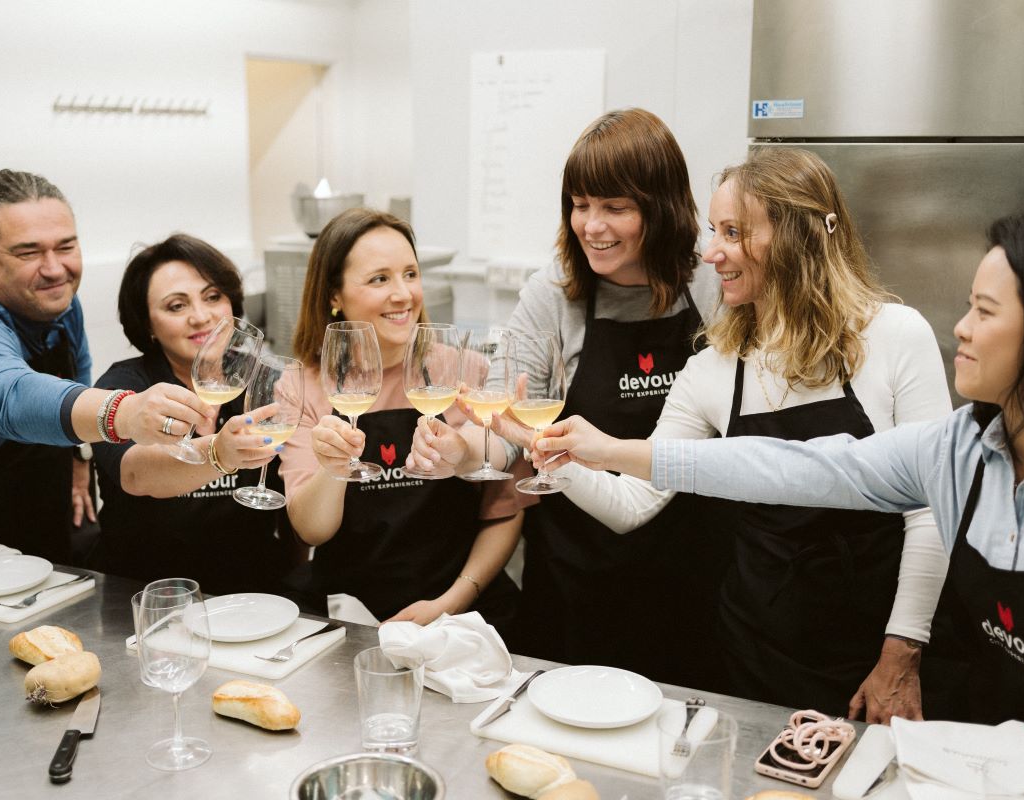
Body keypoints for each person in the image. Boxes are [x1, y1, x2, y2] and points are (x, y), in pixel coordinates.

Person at [536, 209, 1024, 756]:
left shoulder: (894, 340)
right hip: (994, 743)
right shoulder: (955, 450)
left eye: (985, 310)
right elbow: (793, 468)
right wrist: (607, 452)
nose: (961, 327)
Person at [526, 149, 953, 720]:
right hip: (752, 646)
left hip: (875, 648)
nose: (711, 253)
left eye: (733, 232)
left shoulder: (896, 337)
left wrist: (901, 653)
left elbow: (932, 511)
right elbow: (634, 503)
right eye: (713, 231)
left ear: (797, 237)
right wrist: (557, 457)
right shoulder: (714, 367)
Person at [407, 108, 723, 686]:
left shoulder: (711, 287)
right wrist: (462, 451)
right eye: (580, 205)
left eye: (615, 207)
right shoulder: (554, 294)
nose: (592, 226)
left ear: (662, 206)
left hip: (697, 569)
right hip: (577, 575)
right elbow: (508, 429)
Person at [0, 170, 216, 562]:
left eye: (66, 247)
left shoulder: (55, 301)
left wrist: (79, 458)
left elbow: (75, 376)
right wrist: (126, 411)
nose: (54, 269)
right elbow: (11, 396)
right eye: (28, 253)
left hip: (21, 514)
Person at [279, 207, 522, 629]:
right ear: (333, 295)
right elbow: (311, 531)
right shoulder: (301, 385)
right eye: (379, 279)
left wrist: (451, 603)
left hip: (461, 608)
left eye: (411, 274)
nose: (403, 294)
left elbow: (505, 511)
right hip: (348, 612)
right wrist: (332, 466)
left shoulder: (467, 371)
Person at [91, 234, 303, 593]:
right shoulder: (124, 387)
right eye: (176, 306)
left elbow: (292, 504)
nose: (201, 317)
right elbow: (134, 474)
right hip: (147, 599)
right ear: (147, 325)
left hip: (254, 600)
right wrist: (219, 454)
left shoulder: (265, 382)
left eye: (213, 297)